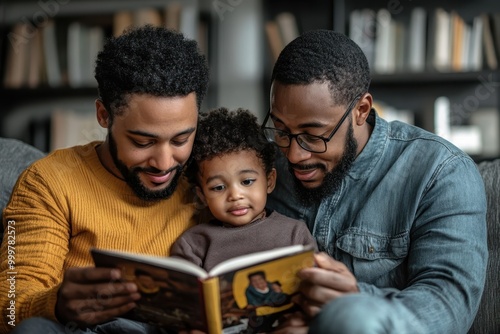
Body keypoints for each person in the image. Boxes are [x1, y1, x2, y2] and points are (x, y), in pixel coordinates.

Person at [263, 30, 488, 333]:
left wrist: (354, 299)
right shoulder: (262, 169)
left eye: (313, 136)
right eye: (281, 130)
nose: (293, 155)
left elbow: (448, 307)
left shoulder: (440, 173)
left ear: (361, 110)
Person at [0, 25, 209, 334]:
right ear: (103, 116)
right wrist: (56, 303)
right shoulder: (48, 181)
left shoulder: (209, 179)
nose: (164, 164)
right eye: (142, 142)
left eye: (181, 140)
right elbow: (10, 307)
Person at [170, 107, 316, 272]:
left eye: (246, 182)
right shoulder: (193, 244)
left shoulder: (294, 234)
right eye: (218, 187)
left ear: (269, 181)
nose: (235, 195)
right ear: (202, 195)